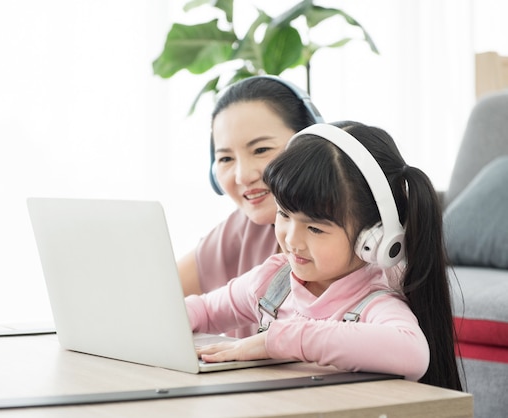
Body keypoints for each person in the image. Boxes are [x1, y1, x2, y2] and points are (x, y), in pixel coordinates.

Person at [185, 121, 462, 390]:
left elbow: (411, 352)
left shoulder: (375, 301)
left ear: (373, 237)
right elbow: (205, 311)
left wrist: (285, 339)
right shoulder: (273, 281)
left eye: (315, 228)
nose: (292, 240)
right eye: (284, 214)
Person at [177, 76, 323, 338]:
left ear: (311, 144)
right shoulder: (243, 228)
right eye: (225, 158)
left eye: (261, 150)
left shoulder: (358, 235)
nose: (243, 176)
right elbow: (156, 294)